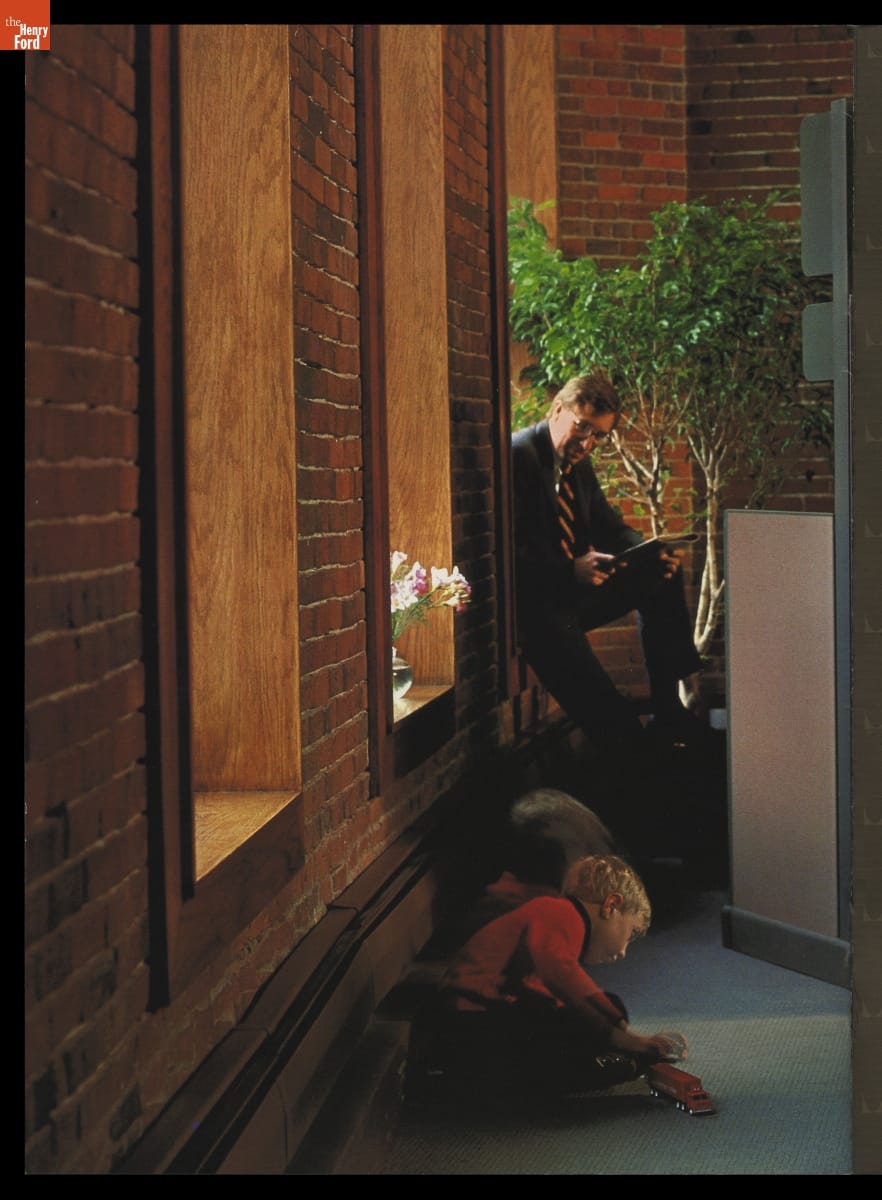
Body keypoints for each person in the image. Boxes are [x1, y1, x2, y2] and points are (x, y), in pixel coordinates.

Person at [512, 372, 707, 768]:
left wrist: (650, 551)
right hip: (537, 608)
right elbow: (509, 551)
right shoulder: (520, 455)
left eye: (598, 436)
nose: (587, 443)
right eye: (582, 427)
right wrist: (570, 570)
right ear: (557, 409)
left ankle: (668, 708)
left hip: (569, 594)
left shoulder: (576, 464)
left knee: (661, 572)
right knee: (613, 721)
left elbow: (610, 528)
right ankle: (639, 762)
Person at [423, 854, 687, 1097]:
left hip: (481, 1020)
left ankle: (611, 1061)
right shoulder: (559, 912)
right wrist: (619, 1034)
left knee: (598, 1011)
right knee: (592, 1022)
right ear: (611, 905)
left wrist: (615, 1029)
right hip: (471, 1023)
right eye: (630, 934)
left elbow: (541, 989)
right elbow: (559, 973)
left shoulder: (559, 919)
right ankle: (613, 1064)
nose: (623, 952)